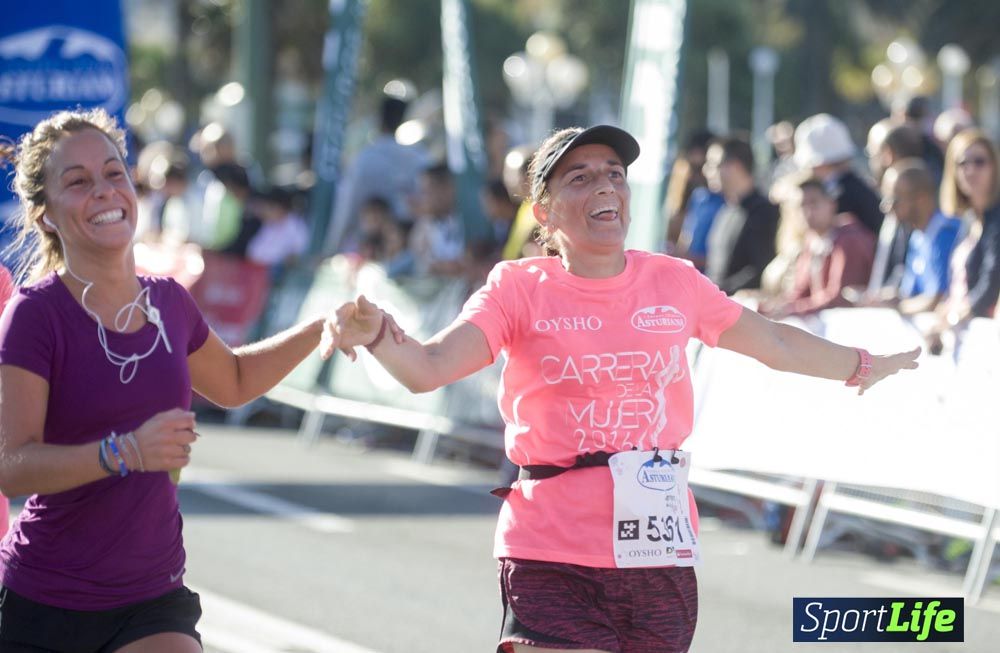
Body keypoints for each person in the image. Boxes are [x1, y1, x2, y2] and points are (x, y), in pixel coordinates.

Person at [320, 125, 920, 653]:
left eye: (614, 174)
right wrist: (378, 336)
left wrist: (863, 365)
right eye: (579, 178)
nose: (605, 186)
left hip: (657, 554)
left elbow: (778, 343)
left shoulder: (673, 281)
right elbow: (427, 368)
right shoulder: (517, 288)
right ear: (544, 210)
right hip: (551, 548)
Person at [0, 109, 400, 652]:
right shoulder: (35, 315)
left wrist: (321, 328)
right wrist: (124, 453)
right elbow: (12, 466)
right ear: (45, 215)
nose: (104, 191)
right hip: (46, 602)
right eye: (77, 181)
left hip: (151, 596)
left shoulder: (167, 299)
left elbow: (233, 380)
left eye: (115, 173)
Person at [323, 94, 428, 254]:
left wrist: (332, 248)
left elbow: (346, 208)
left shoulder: (364, 159)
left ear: (379, 120)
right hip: (393, 245)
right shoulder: (419, 157)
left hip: (399, 244)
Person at [925, 128, 1000, 352]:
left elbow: (991, 281)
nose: (970, 170)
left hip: (985, 335)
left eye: (980, 162)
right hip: (961, 333)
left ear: (995, 167)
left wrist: (955, 317)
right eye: (962, 163)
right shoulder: (968, 220)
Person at [758, 177, 874, 319]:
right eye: (801, 206)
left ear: (831, 204)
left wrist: (792, 309)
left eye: (814, 203)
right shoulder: (811, 241)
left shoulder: (849, 240)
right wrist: (776, 306)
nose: (807, 212)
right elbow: (800, 290)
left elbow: (840, 297)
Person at [867, 160, 961, 315]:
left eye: (894, 201)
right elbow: (909, 294)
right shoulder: (917, 237)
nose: (886, 208)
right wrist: (891, 298)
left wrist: (896, 308)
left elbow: (935, 300)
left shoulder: (946, 234)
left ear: (921, 198)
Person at [703, 134, 780, 293]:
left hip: (740, 309)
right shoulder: (726, 210)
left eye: (713, 165)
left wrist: (718, 294)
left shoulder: (764, 212)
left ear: (735, 166)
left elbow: (760, 269)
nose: (706, 171)